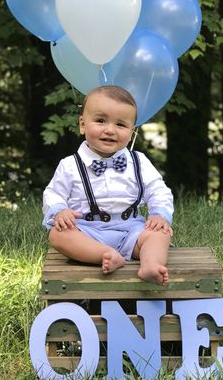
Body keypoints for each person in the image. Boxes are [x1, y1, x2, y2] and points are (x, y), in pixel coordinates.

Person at [43, 85, 173, 285]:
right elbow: (54, 193)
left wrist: (159, 214)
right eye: (100, 121)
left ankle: (151, 265)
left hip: (131, 229)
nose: (110, 130)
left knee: (160, 233)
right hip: (87, 231)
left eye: (121, 125)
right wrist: (60, 210)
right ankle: (105, 254)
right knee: (58, 235)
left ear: (132, 131)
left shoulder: (138, 161)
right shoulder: (70, 165)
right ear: (82, 124)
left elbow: (158, 190)